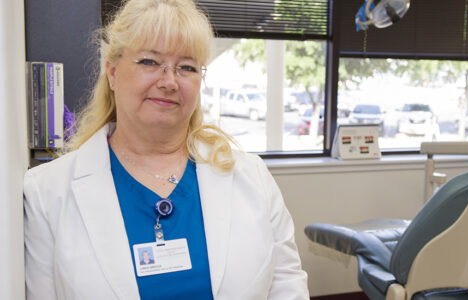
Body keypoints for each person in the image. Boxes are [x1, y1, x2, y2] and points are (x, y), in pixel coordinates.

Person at [23, 0, 309, 299]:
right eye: (149, 61)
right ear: (112, 72)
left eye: (186, 67)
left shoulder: (253, 178)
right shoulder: (47, 192)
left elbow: (286, 283)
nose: (169, 81)